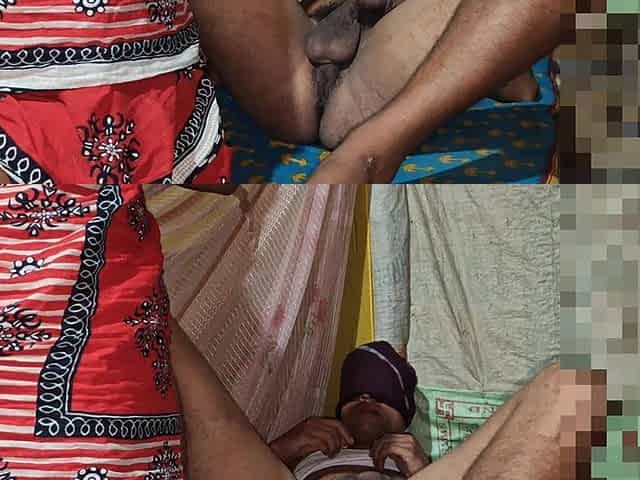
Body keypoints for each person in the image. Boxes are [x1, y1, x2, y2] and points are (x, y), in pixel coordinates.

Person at [269, 341, 431, 479]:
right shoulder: (302, 455)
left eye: (382, 398)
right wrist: (282, 449)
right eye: (355, 396)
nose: (367, 399)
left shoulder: (419, 463)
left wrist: (425, 472)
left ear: (404, 420)